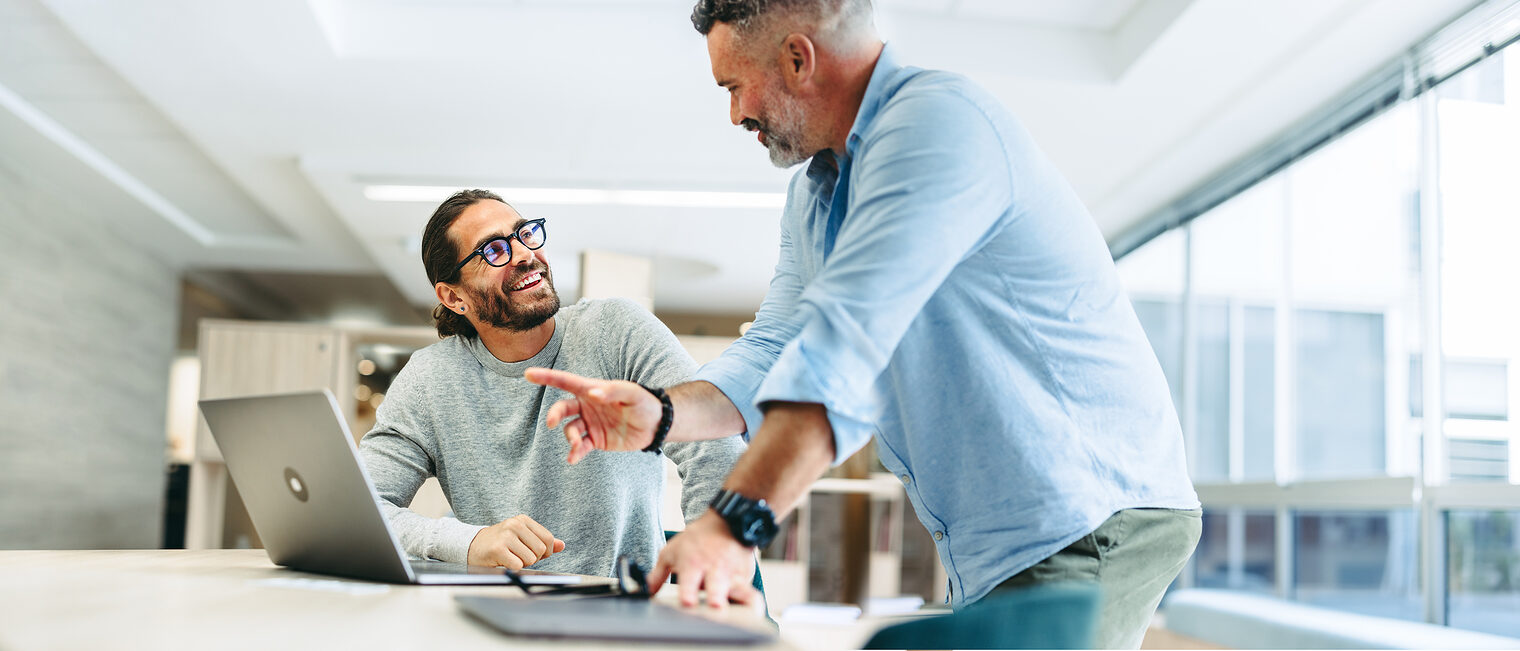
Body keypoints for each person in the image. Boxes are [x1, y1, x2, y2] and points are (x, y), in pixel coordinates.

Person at [526, 0, 1201, 646]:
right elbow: (775, 346)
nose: (735, 113)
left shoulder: (937, 126)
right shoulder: (816, 194)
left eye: (735, 86)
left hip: (1091, 514)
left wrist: (732, 527)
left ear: (798, 58)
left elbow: (840, 347)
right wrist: (663, 413)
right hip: (1007, 538)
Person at [358, 189, 746, 578]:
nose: (526, 254)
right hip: (500, 613)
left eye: (524, 234)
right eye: (493, 250)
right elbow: (360, 509)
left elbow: (714, 442)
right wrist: (469, 543)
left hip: (620, 611)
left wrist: (710, 561)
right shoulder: (429, 380)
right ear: (454, 296)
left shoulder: (617, 330)